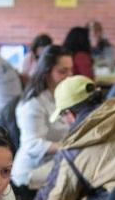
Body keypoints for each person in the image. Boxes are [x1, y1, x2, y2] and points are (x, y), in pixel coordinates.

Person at [10, 45, 73, 187]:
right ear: (46, 72)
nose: (70, 76)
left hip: (50, 165)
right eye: (63, 71)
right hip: (29, 175)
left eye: (71, 70)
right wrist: (70, 146)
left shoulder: (58, 96)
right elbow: (32, 145)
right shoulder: (32, 104)